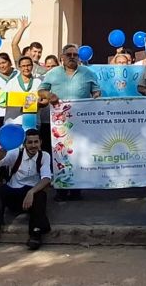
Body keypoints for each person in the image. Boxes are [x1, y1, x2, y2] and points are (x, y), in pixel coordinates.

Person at [37, 45, 101, 199]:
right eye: (69, 54)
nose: (72, 57)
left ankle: (76, 189)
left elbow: (96, 91)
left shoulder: (88, 73)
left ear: (79, 57)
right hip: (59, 124)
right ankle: (61, 189)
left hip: (81, 124)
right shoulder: (52, 73)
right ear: (62, 57)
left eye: (75, 54)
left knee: (78, 154)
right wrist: (49, 94)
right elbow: (40, 90)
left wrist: (97, 96)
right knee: (60, 155)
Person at [0, 128, 52, 251]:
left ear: (40, 142)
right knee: (0, 191)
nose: (33, 145)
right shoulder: (15, 153)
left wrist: (31, 191)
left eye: (36, 142)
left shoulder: (45, 156)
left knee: (41, 195)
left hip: (31, 196)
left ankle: (35, 233)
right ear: (24, 144)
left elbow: (46, 179)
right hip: (14, 192)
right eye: (30, 142)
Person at [4, 55, 43, 127]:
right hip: (14, 121)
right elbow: (3, 101)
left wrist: (38, 104)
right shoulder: (11, 83)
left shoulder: (38, 82)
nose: (26, 68)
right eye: (23, 66)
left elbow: (44, 101)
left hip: (33, 122)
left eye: (28, 65)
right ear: (19, 67)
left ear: (32, 66)